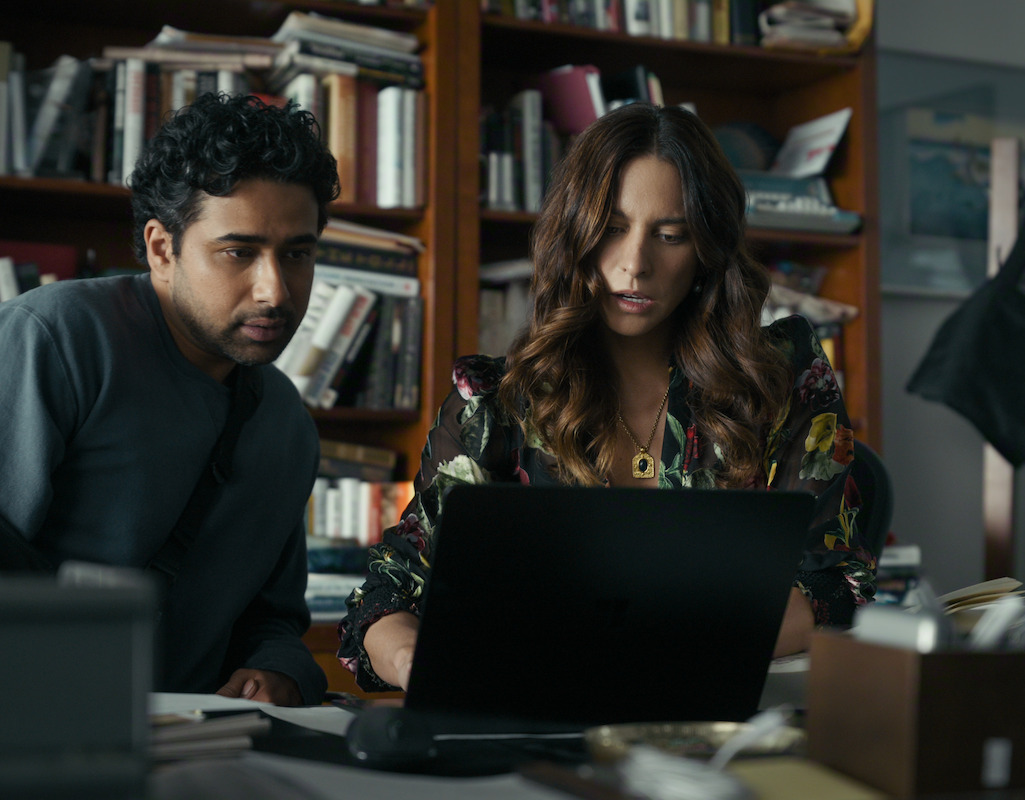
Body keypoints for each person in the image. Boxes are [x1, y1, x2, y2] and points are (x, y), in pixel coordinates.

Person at [337, 102, 877, 693]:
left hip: (718, 715)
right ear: (575, 236)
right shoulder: (493, 405)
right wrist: (421, 660)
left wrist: (648, 648)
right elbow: (389, 590)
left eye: (670, 235)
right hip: (536, 714)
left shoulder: (781, 376)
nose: (635, 264)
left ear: (704, 251)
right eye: (612, 229)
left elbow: (832, 583)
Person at [0, 93, 340, 706]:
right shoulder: (45, 339)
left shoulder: (287, 420)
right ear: (161, 249)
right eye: (239, 252)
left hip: (186, 751)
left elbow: (274, 619)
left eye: (298, 253)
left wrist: (278, 670)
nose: (275, 290)